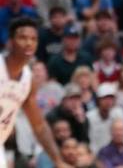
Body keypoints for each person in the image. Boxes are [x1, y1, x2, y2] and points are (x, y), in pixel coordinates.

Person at [0, 17, 71, 168]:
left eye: (33, 39)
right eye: (22, 38)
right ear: (10, 42)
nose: (29, 43)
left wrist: (57, 160)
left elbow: (38, 125)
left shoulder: (28, 80)